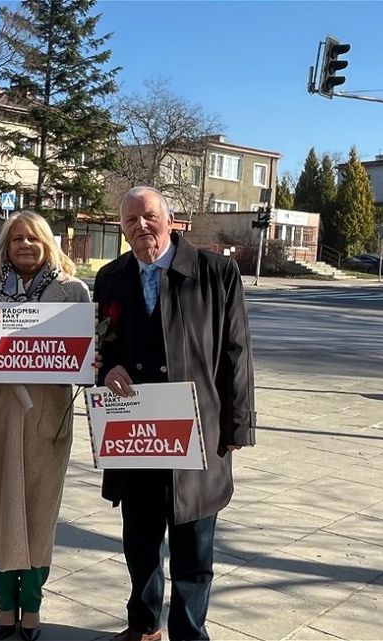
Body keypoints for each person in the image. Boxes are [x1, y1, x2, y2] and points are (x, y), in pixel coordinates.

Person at [94, 186, 256, 641]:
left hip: (198, 434)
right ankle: (144, 625)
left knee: (193, 549)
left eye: (148, 217)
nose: (141, 227)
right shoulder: (110, 277)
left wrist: (238, 425)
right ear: (122, 228)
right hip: (136, 434)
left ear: (171, 220)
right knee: (140, 542)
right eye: (130, 221)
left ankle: (189, 633)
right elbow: (98, 348)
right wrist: (107, 369)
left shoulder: (215, 272)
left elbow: (236, 352)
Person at [0, 212, 90, 641]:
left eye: (33, 239)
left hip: (45, 415)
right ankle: (5, 605)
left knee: (38, 514)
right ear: (5, 243)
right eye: (16, 238)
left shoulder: (73, 291)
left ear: (48, 244)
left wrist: (87, 362)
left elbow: (86, 356)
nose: (24, 245)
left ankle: (32, 606)